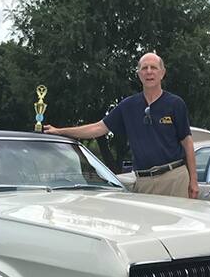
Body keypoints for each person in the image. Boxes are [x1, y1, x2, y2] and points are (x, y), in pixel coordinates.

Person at [44, 52, 198, 198]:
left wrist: (194, 180)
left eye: (153, 68)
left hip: (174, 178)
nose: (149, 72)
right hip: (144, 182)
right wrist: (60, 131)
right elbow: (98, 128)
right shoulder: (128, 106)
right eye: (144, 68)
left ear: (162, 73)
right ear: (138, 74)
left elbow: (187, 142)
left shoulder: (175, 104)